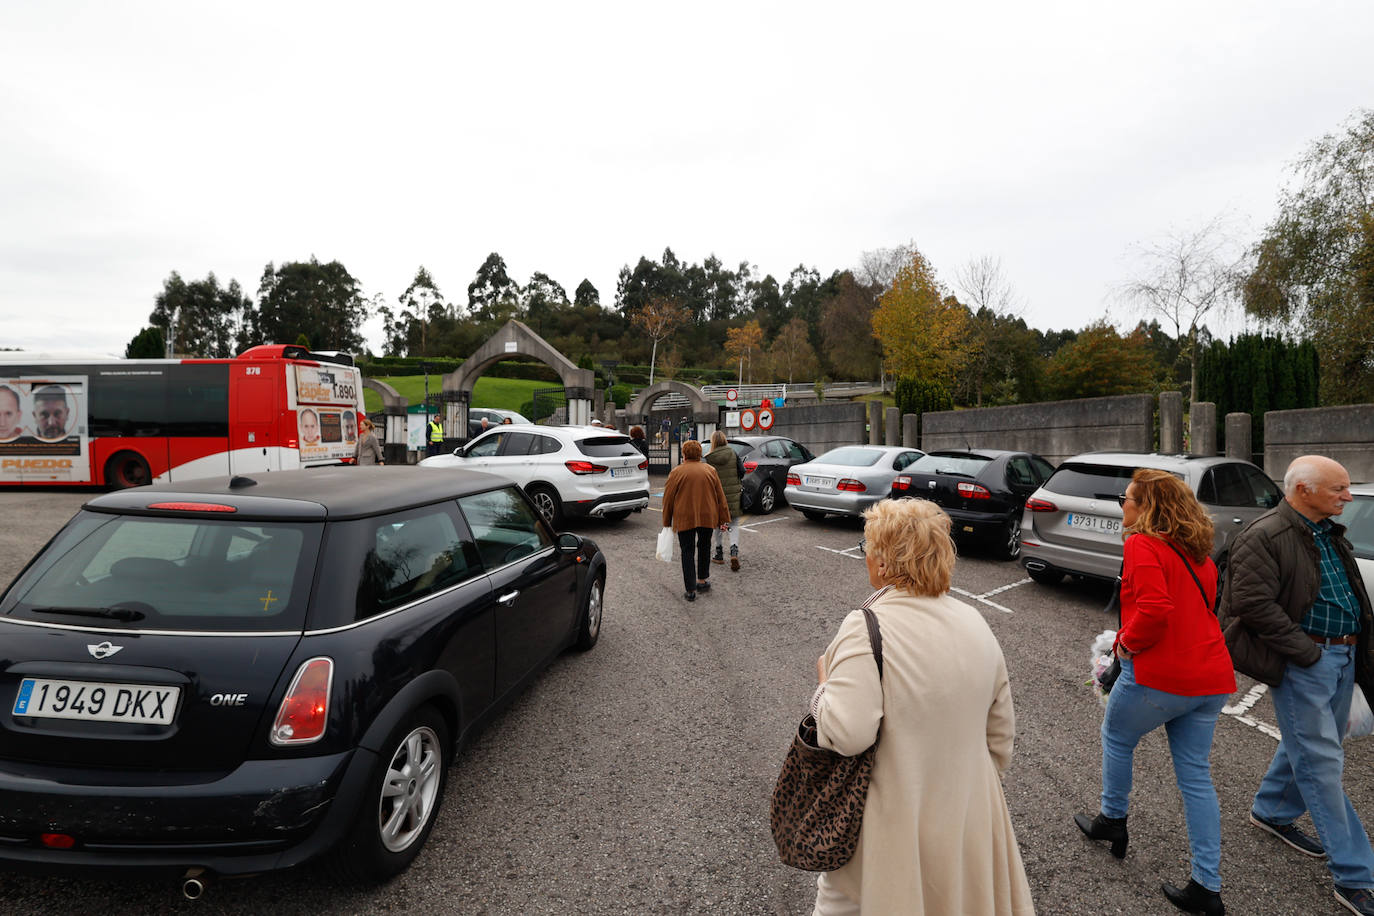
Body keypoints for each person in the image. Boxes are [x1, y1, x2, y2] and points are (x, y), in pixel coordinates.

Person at [810, 498, 1034, 915]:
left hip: (885, 830)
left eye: (868, 547)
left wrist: (822, 689)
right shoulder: (976, 622)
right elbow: (1000, 739)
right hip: (968, 823)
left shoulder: (865, 626)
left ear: (882, 562)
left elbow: (846, 733)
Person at [1074, 469, 1235, 915]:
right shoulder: (1197, 552)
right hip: (1210, 677)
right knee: (1196, 779)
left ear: (1147, 508)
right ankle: (1207, 885)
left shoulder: (1143, 544)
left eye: (1127, 499)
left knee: (1118, 738)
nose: (1121, 505)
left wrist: (1125, 645)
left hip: (1162, 674)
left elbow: (1155, 610)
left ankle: (1112, 820)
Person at [1219, 455, 1374, 916]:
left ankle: (1271, 810)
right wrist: (1307, 654)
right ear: (1303, 490)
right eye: (1338, 489)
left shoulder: (1327, 531)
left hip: (1342, 656)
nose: (1348, 496)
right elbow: (1250, 603)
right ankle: (1357, 876)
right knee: (1321, 762)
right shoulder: (1264, 534)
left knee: (1311, 748)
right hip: (1307, 660)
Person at [660, 439, 730, 602]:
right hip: (707, 515)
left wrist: (666, 522)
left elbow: (668, 499)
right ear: (700, 454)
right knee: (705, 546)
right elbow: (721, 497)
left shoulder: (676, 472)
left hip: (684, 517)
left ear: (684, 454)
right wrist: (723, 519)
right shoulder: (710, 470)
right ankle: (702, 580)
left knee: (687, 551)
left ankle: (690, 589)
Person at [705, 430, 743, 571]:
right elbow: (742, 471)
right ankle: (734, 552)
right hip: (733, 495)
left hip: (717, 497)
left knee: (719, 524)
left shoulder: (709, 457)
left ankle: (719, 553)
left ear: (713, 441)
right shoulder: (733, 453)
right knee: (734, 524)